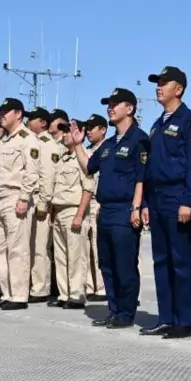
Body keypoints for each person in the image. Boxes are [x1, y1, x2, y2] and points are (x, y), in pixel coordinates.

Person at [67, 88, 148, 328]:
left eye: (115, 104)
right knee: (107, 263)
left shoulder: (139, 139)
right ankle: (114, 310)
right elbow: (89, 167)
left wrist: (136, 207)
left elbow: (142, 178)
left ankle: (126, 313)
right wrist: (78, 144)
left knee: (124, 263)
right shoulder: (109, 144)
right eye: (108, 104)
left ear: (130, 109)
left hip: (125, 209)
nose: (110, 108)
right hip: (106, 210)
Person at [140, 66, 191, 339]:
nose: (158, 87)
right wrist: (144, 204)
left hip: (178, 198)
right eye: (157, 82)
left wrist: (188, 201)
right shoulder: (157, 124)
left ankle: (184, 320)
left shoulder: (189, 120)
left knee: (181, 260)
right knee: (161, 260)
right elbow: (150, 168)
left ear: (179, 89)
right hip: (157, 199)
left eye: (164, 83)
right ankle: (166, 317)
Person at [0, 98, 41, 309]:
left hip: (15, 197)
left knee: (17, 249)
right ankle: (6, 293)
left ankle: (19, 295)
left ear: (18, 114)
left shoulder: (27, 139)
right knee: (0, 250)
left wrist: (23, 198)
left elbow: (32, 171)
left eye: (5, 112)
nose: (1, 115)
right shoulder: (2, 140)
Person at [49, 114, 93, 309]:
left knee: (76, 255)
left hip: (74, 210)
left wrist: (79, 214)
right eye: (63, 131)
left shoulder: (83, 158)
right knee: (61, 255)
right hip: (59, 210)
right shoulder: (63, 157)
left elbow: (88, 188)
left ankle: (76, 295)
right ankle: (64, 293)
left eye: (68, 131)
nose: (65, 135)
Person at [25, 107, 57, 303]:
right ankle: (33, 284)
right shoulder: (34, 142)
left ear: (43, 123)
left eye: (33, 118)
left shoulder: (47, 144)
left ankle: (40, 288)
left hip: (40, 200)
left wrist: (44, 202)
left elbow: (48, 175)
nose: (29, 121)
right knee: (30, 246)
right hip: (32, 198)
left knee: (39, 246)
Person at [81, 114, 110, 302]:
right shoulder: (87, 151)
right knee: (89, 247)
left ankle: (103, 287)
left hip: (101, 200)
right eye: (87, 127)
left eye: (93, 127)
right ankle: (92, 285)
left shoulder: (109, 148)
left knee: (101, 247)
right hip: (88, 201)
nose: (89, 131)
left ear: (103, 130)